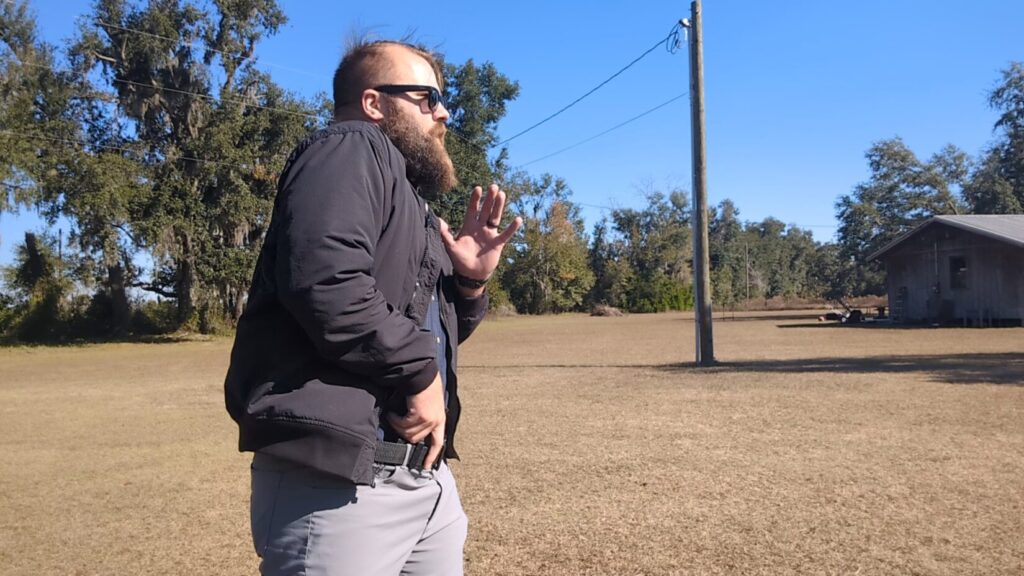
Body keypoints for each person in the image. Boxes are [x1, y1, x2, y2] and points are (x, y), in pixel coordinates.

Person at [223, 38, 521, 576]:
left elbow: (415, 327)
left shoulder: (406, 197)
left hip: (421, 483)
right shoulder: (350, 147)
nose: (443, 111)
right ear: (373, 103)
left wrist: (470, 285)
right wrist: (419, 371)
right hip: (341, 493)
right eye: (426, 97)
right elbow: (325, 282)